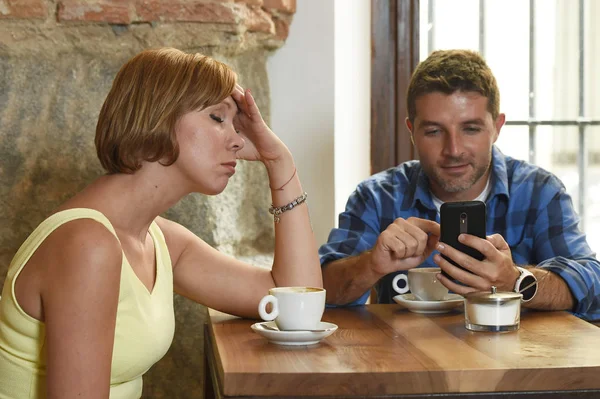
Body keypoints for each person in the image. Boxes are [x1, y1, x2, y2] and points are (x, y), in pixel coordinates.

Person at [0, 47, 322, 398]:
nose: (238, 139)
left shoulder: (159, 241)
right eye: (218, 118)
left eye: (236, 124)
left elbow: (297, 302)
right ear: (159, 117)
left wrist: (279, 161)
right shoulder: (86, 245)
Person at [319, 49, 600, 321]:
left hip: (518, 364)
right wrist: (370, 265)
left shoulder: (540, 192)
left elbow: (594, 285)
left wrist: (516, 281)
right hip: (404, 362)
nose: (453, 149)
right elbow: (316, 288)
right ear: (412, 132)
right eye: (433, 131)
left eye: (470, 129)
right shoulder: (377, 196)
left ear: (497, 128)